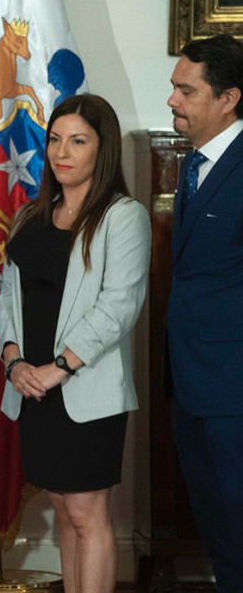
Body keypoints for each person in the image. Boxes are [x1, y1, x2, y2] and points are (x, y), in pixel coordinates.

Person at [0, 94, 151, 591]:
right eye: (55, 139)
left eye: (78, 141)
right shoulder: (29, 216)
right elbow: (8, 304)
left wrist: (57, 367)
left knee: (88, 512)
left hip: (85, 389)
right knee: (63, 511)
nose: (62, 152)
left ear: (101, 151)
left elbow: (118, 307)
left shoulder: (123, 217)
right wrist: (14, 361)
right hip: (32, 388)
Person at [164, 33, 243, 590]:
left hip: (234, 390)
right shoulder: (195, 166)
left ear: (228, 98)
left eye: (186, 91)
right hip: (190, 383)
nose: (172, 100)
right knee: (217, 527)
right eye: (174, 88)